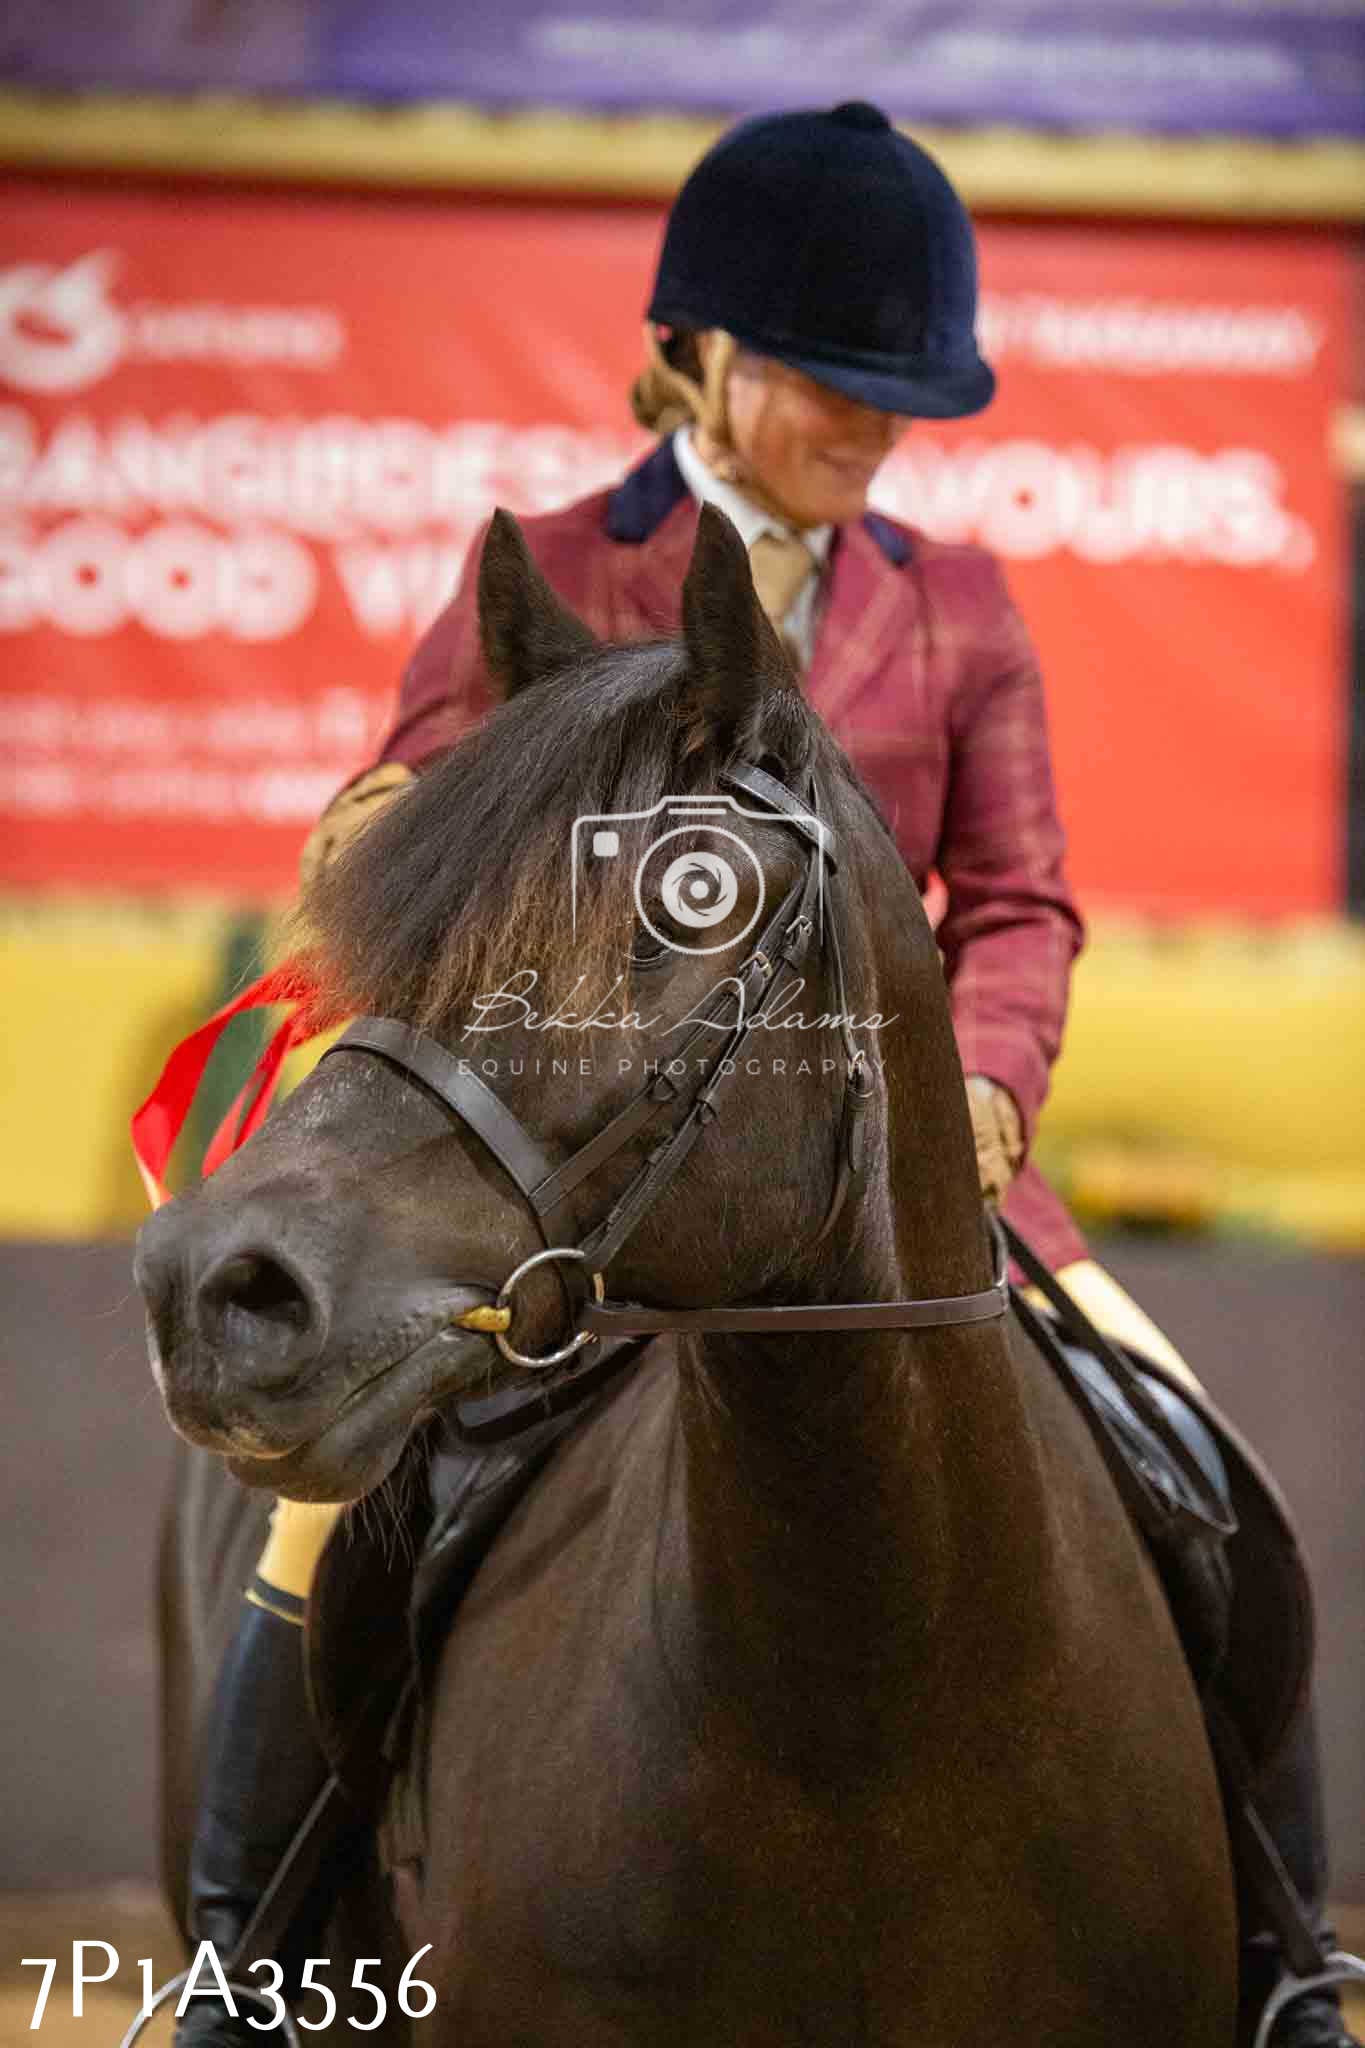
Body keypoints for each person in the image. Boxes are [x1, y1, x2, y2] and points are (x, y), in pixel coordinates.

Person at [179, 104, 1358, 2047]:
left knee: (1196, 1470)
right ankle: (257, 1963)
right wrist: (403, 825)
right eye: (833, 382)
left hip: (903, 1183)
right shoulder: (553, 576)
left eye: (901, 395)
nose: (873, 429)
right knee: (334, 1521)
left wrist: (981, 1085)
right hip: (590, 1185)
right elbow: (389, 845)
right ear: (700, 354)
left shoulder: (956, 609)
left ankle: (1282, 1964)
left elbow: (1022, 903)